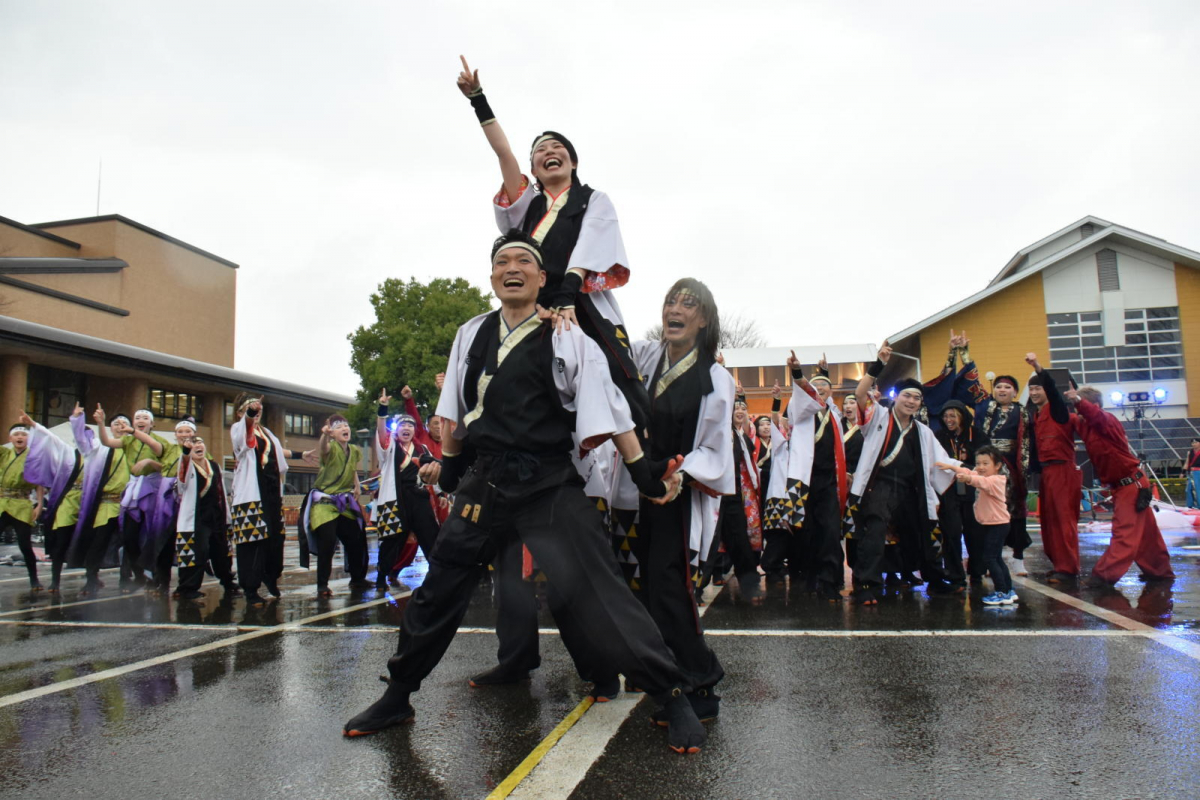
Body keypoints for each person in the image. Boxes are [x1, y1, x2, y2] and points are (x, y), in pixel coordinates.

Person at [344, 231, 707, 754]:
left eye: (523, 262)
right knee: (441, 585)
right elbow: (455, 414)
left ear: (541, 279)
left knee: (601, 590)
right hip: (485, 479)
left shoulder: (568, 337)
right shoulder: (471, 333)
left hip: (548, 480)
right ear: (493, 278)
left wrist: (646, 475)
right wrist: (448, 473)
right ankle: (399, 692)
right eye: (501, 262)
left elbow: (611, 411)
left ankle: (671, 696)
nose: (511, 268)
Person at [457, 57, 649, 431]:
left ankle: (643, 447)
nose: (549, 151)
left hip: (578, 301)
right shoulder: (526, 204)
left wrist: (566, 294)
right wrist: (478, 98)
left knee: (614, 366)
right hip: (530, 301)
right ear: (533, 166)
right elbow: (503, 154)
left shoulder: (592, 199)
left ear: (573, 161)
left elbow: (591, 244)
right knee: (486, 364)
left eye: (557, 146)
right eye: (540, 150)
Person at [850, 342, 958, 604]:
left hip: (911, 488)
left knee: (922, 532)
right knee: (874, 534)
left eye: (916, 398)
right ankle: (868, 585)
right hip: (880, 486)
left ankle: (933, 579)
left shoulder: (923, 431)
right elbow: (861, 393)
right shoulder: (878, 417)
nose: (911, 401)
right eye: (907, 396)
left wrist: (961, 469)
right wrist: (879, 365)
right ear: (896, 397)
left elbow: (940, 460)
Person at [1065, 385, 1175, 586]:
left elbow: (1094, 415)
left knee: (1124, 532)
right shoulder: (1085, 423)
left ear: (1094, 406)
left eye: (1079, 406)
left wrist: (1079, 401)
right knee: (1146, 534)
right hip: (1127, 483)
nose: (1076, 411)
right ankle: (1160, 571)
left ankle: (1103, 576)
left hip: (1129, 484)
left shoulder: (1107, 421)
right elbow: (1066, 417)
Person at [230, 394, 310, 606]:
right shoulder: (238, 429)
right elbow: (245, 437)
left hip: (272, 493)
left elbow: (277, 451)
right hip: (251, 496)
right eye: (250, 409)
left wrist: (300, 454)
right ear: (240, 413)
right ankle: (250, 589)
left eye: (258, 409)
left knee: (275, 540)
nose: (256, 413)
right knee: (253, 544)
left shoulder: (266, 433)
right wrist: (250, 414)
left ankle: (271, 576)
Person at [781, 356, 849, 601]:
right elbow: (803, 393)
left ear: (831, 391)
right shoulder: (801, 411)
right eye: (815, 386)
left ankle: (830, 582)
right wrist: (798, 373)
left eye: (824, 386)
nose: (819, 389)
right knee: (806, 532)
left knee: (830, 531)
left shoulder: (835, 414)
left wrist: (824, 371)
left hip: (829, 481)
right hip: (804, 481)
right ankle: (810, 579)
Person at [372, 390, 441, 590]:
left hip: (418, 497)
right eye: (403, 424)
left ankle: (438, 575)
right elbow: (381, 431)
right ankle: (381, 577)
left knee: (431, 537)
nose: (407, 428)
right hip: (396, 497)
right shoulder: (388, 446)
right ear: (396, 430)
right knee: (392, 540)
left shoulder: (422, 450)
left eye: (410, 425)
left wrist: (441, 494)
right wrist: (382, 409)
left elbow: (431, 475)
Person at [1026, 354, 1082, 582]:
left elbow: (1052, 388)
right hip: (1047, 473)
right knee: (1048, 520)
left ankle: (1068, 568)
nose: (1034, 393)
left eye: (1038, 388)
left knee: (1063, 519)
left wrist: (1037, 367)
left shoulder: (1058, 411)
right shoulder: (1036, 416)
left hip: (1062, 470)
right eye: (1031, 390)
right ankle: (1059, 563)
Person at [937, 446, 1015, 605]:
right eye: (978, 463)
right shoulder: (984, 476)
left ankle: (1001, 591)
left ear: (997, 466)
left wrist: (968, 479)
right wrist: (953, 467)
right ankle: (1008, 590)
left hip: (997, 525)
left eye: (985, 463)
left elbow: (979, 481)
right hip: (993, 524)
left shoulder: (997, 480)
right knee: (996, 558)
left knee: (989, 558)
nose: (980, 467)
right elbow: (972, 473)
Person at [302, 415, 371, 597]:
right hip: (325, 502)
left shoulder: (354, 450)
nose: (344, 428)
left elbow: (352, 468)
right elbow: (323, 449)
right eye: (339, 426)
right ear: (332, 433)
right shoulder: (330, 447)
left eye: (346, 425)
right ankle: (322, 584)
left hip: (344, 501)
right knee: (328, 541)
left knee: (356, 537)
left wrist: (357, 484)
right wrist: (324, 435)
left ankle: (357, 579)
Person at [69, 405, 133, 598]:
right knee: (98, 542)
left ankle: (126, 578)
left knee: (129, 544)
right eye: (116, 424)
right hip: (105, 504)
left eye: (124, 424)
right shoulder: (99, 445)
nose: (120, 427)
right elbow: (81, 441)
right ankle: (91, 578)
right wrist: (77, 419)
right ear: (110, 427)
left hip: (129, 503)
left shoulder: (137, 447)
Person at [19, 410, 83, 593]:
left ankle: (91, 577)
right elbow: (50, 438)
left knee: (90, 541)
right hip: (67, 500)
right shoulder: (68, 451)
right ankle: (55, 579)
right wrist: (33, 424)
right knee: (61, 540)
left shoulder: (99, 452)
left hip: (89, 503)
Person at [934, 400, 989, 590]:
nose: (949, 420)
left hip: (973, 488)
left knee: (975, 532)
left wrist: (966, 468)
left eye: (953, 416)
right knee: (951, 532)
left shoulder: (977, 435)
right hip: (949, 489)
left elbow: (986, 461)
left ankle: (977, 572)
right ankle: (955, 575)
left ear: (962, 417)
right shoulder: (939, 437)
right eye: (946, 416)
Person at [174, 436, 238, 600]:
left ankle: (227, 581)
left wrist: (227, 516)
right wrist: (186, 454)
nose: (198, 445)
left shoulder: (214, 466)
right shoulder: (187, 465)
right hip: (197, 518)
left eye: (200, 442)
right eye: (193, 444)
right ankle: (187, 588)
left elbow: (221, 491)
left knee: (222, 551)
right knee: (197, 552)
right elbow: (181, 482)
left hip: (216, 515)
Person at [1, 423, 45, 590]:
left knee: (25, 545)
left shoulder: (34, 457)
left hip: (22, 504)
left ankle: (34, 579)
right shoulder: (4, 453)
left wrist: (39, 504)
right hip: (3, 502)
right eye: (16, 434)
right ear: (10, 438)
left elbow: (39, 483)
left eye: (23, 434)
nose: (20, 437)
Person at [1184, 438, 1200, 509]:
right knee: (1188, 489)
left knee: (1197, 489)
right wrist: (1183, 472)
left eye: (1196, 442)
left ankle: (1198, 505)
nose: (1194, 444)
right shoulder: (1190, 452)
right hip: (1191, 472)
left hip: (1198, 472)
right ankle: (1190, 505)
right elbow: (1187, 462)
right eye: (1193, 443)